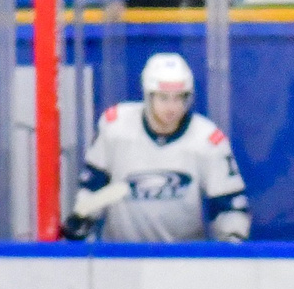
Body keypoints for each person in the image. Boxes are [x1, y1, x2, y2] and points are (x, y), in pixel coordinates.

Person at [70, 52, 251, 242]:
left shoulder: (207, 139)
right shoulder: (116, 127)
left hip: (183, 260)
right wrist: (84, 214)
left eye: (178, 98)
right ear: (148, 96)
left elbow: (230, 205)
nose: (172, 107)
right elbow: (96, 184)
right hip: (122, 258)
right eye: (163, 98)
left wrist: (232, 239)